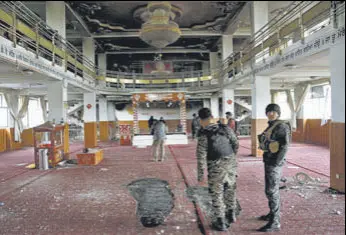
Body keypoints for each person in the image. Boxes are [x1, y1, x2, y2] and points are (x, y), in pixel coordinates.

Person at [196, 108, 239, 231]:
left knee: (217, 193)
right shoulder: (225, 128)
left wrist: (200, 175)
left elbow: (200, 157)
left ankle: (220, 222)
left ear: (201, 120)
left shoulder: (204, 134)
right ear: (212, 116)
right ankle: (231, 215)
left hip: (216, 167)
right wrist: (231, 159)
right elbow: (235, 144)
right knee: (230, 190)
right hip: (231, 164)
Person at [257, 103, 291, 232]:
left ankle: (275, 222)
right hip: (269, 160)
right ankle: (272, 214)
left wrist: (276, 162)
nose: (271, 114)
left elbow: (285, 146)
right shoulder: (272, 125)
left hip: (274, 162)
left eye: (273, 112)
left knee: (272, 191)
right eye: (269, 112)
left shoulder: (281, 126)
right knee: (269, 190)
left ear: (278, 113)